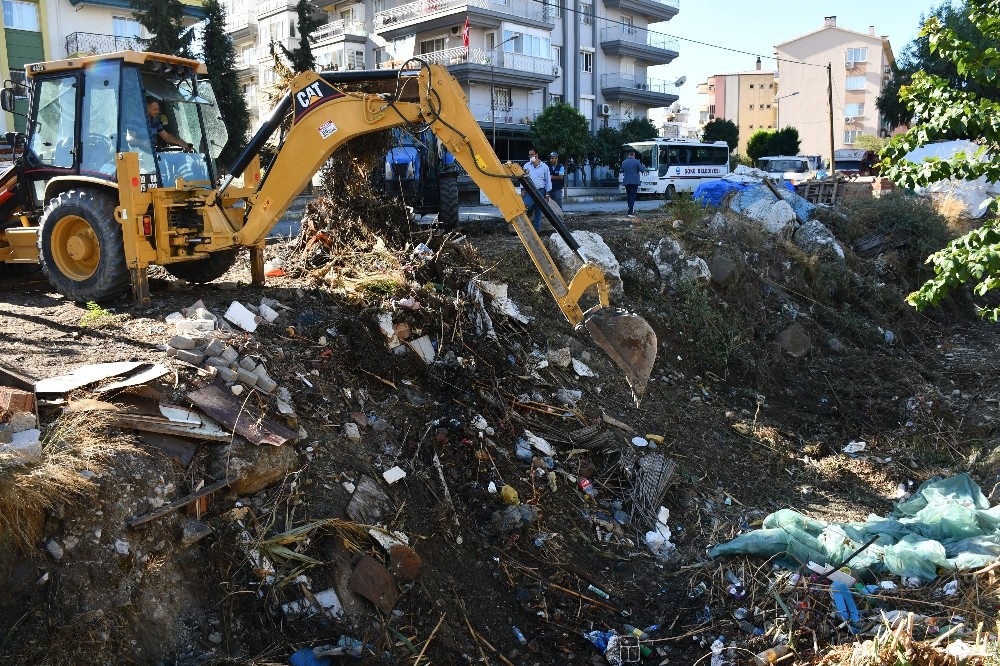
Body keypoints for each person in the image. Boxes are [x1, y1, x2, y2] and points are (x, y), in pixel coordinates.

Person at [522, 147, 551, 231]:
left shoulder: (544, 167)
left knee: (538, 211)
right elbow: (522, 178)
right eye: (529, 155)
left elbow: (548, 180)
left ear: (536, 155)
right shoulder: (526, 166)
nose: (531, 156)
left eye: (532, 154)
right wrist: (523, 190)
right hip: (529, 190)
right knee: (527, 205)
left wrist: (548, 193)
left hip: (540, 190)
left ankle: (536, 230)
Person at [620, 149, 646, 217]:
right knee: (633, 196)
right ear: (634, 155)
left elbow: (622, 170)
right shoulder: (637, 162)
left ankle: (630, 208)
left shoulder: (624, 162)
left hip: (626, 181)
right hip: (634, 181)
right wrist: (643, 167)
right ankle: (630, 211)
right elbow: (642, 170)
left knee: (628, 196)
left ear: (629, 155)